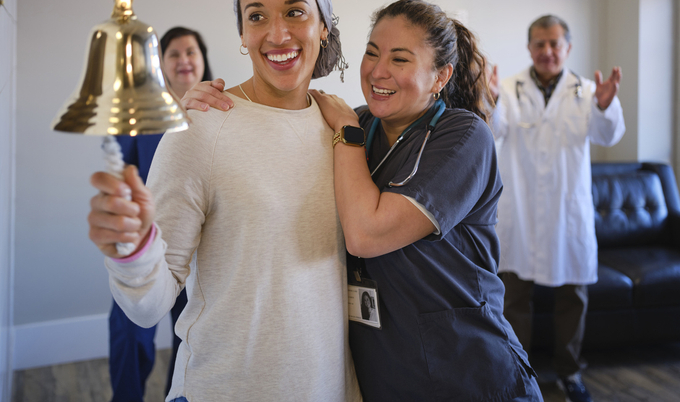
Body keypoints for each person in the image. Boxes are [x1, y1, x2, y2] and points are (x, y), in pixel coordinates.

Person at [185, 1, 543, 400]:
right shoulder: (355, 126)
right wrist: (201, 105)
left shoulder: (461, 137)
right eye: (372, 52)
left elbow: (365, 235)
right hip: (386, 374)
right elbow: (273, 125)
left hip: (467, 369)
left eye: (400, 59)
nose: (378, 71)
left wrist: (347, 132)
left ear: (440, 76)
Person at [87, 1, 361, 401]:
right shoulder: (200, 128)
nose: (277, 33)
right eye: (256, 15)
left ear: (324, 26)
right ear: (242, 35)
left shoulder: (345, 129)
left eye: (295, 11)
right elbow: (148, 307)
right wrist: (130, 248)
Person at [488, 15, 625, 402]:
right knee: (514, 299)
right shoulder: (509, 88)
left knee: (573, 299)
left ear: (567, 47)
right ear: (529, 48)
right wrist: (491, 98)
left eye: (555, 44)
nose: (547, 52)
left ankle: (569, 374)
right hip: (522, 212)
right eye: (539, 44)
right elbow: (494, 131)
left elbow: (608, 135)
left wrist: (605, 105)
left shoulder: (586, 90)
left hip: (568, 213)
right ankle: (519, 372)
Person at [109, 26, 221, 402]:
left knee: (185, 335)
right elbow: (120, 173)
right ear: (161, 64)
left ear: (203, 58)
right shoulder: (138, 115)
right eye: (174, 54)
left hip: (199, 251)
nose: (184, 60)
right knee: (129, 334)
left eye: (191, 51)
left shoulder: (220, 113)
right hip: (146, 247)